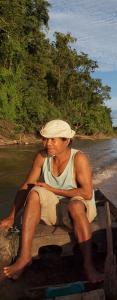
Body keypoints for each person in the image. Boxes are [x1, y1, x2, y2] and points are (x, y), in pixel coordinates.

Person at [0, 119, 103, 282]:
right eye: (45, 138)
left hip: (78, 208)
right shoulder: (42, 156)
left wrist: (53, 189)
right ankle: (24, 257)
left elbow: (87, 193)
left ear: (66, 140)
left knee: (75, 205)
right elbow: (26, 185)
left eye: (53, 139)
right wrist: (12, 216)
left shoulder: (79, 158)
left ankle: (88, 266)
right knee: (34, 192)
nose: (48, 143)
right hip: (55, 210)